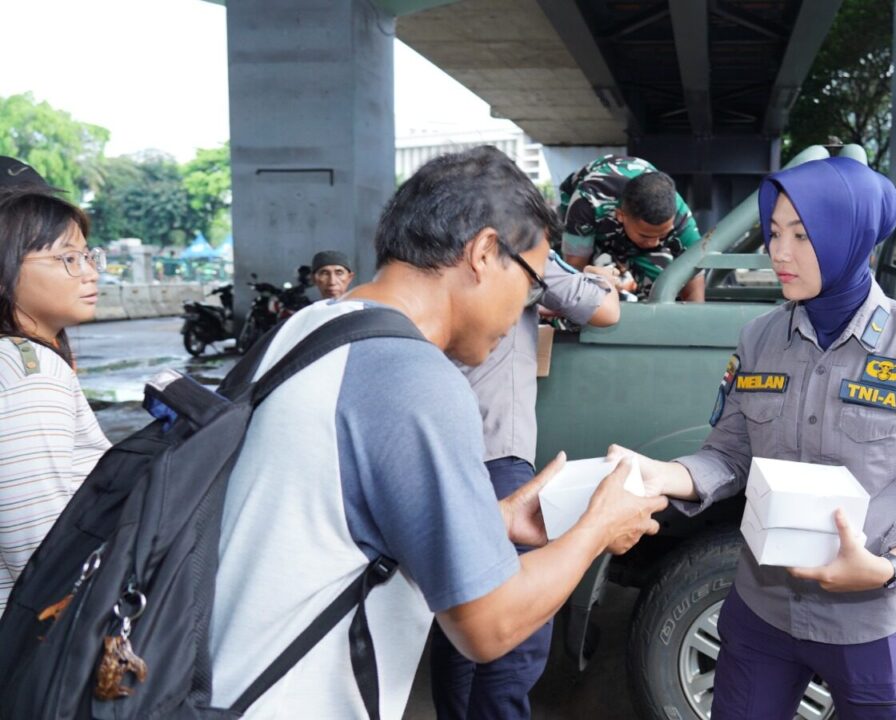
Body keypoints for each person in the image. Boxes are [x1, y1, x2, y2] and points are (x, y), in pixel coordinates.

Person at [207, 146, 667, 718]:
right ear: (483, 253)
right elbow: (490, 625)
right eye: (529, 285)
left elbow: (335, 514)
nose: (525, 310)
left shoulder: (309, 329)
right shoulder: (414, 375)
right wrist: (598, 526)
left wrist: (495, 518)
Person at [612, 157, 896, 719]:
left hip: (875, 623)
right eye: (773, 232)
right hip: (761, 609)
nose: (779, 252)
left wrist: (892, 565)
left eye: (801, 234)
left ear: (852, 237)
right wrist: (662, 475)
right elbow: (728, 454)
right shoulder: (759, 339)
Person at [428, 250, 619, 720]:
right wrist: (601, 277)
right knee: (517, 632)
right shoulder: (521, 247)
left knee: (460, 618)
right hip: (495, 454)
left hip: (444, 452)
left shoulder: (435, 247)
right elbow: (605, 310)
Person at [0, 175, 112, 614]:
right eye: (68, 258)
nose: (89, 272)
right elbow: (42, 560)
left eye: (88, 256)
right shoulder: (29, 373)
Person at [557, 155, 705, 301]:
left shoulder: (680, 215)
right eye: (646, 236)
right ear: (621, 215)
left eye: (661, 236)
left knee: (664, 288)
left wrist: (695, 321)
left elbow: (693, 278)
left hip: (628, 227)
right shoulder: (587, 202)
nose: (654, 243)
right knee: (586, 285)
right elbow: (574, 268)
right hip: (594, 218)